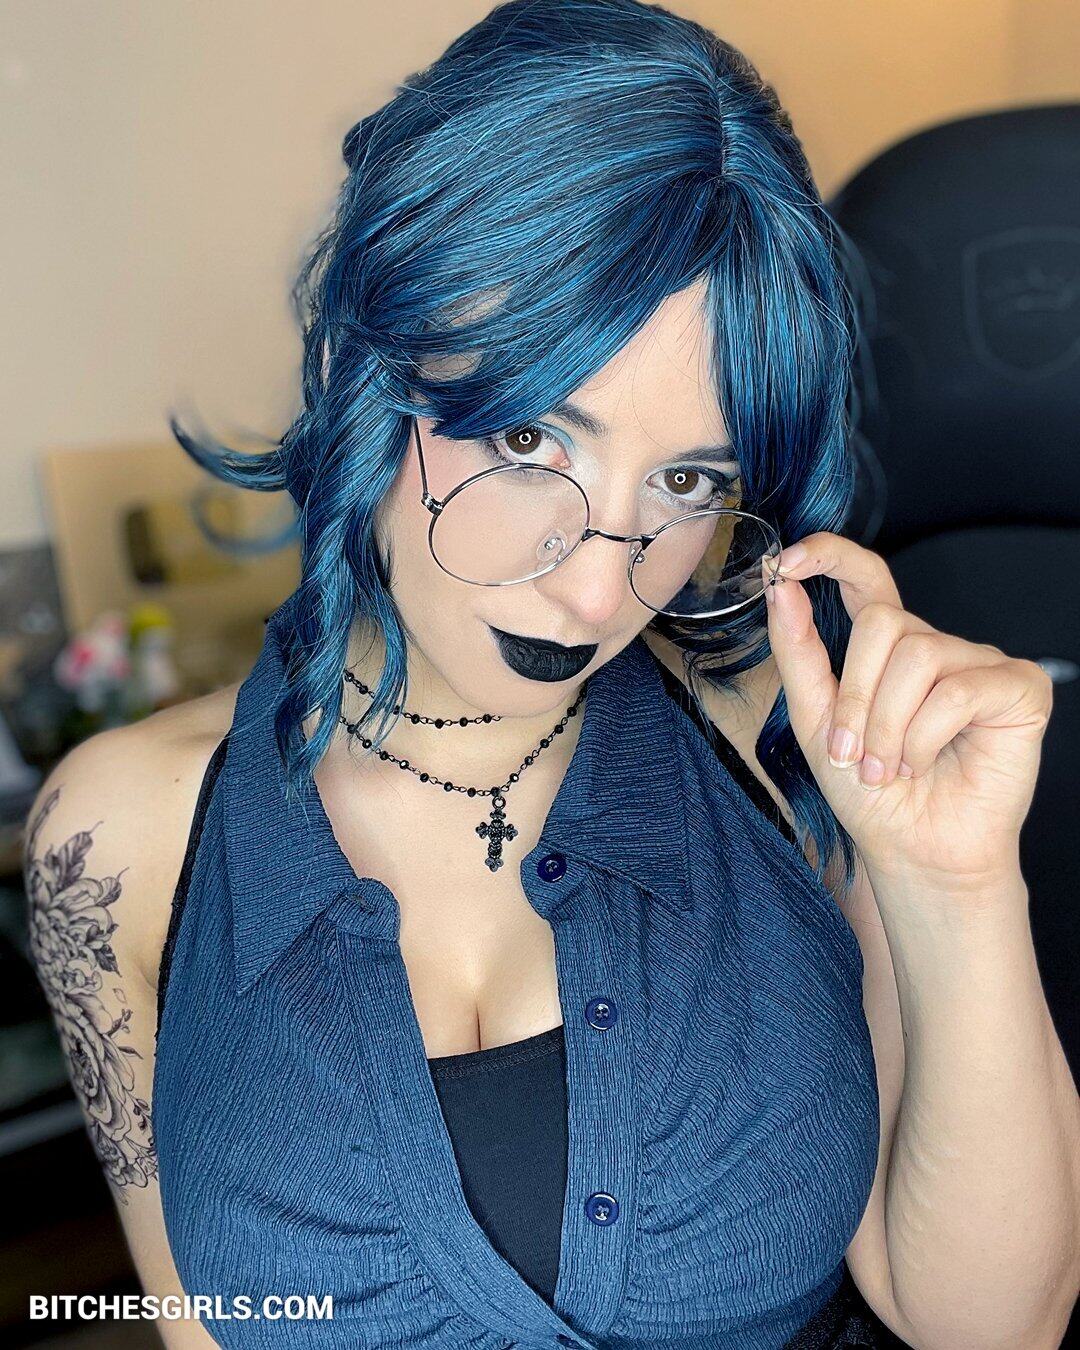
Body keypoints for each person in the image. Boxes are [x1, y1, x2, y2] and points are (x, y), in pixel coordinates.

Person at [30, 1, 1067, 1346]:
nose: (597, 588)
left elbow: (991, 1327)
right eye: (530, 441)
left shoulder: (797, 742)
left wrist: (956, 886)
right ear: (362, 365)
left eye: (687, 482)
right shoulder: (116, 843)